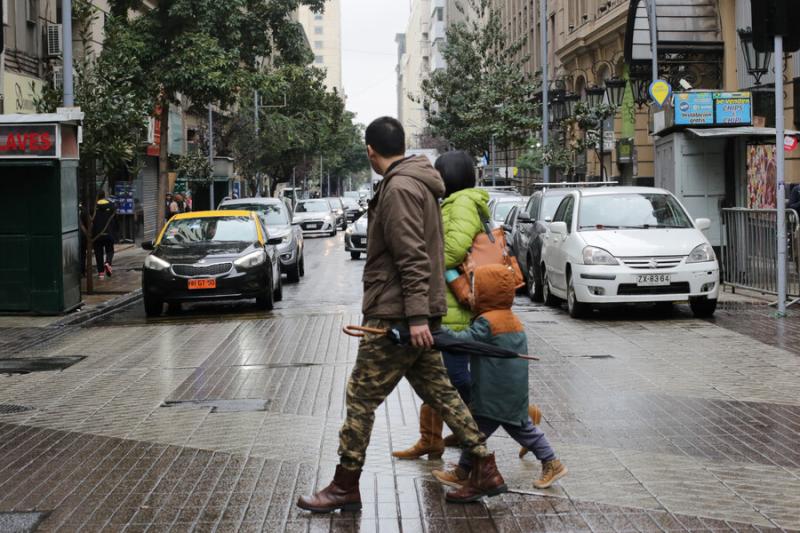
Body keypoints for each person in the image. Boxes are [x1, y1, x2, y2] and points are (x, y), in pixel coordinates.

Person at [296, 117, 507, 513]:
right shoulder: (418, 182)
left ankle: (345, 485)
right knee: (442, 393)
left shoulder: (398, 189)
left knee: (360, 397)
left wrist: (413, 320)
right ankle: (484, 468)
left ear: (370, 151)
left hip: (396, 315)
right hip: (413, 311)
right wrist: (421, 316)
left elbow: (411, 257)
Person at [392, 151, 541, 460]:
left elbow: (453, 249)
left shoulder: (461, 203)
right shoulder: (454, 203)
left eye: (438, 174)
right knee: (434, 374)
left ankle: (524, 417)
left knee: (452, 379)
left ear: (449, 177)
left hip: (455, 309)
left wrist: (420, 262)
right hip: (447, 303)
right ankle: (430, 438)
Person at [432, 265, 568, 493]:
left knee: (509, 431)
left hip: (495, 393)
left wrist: (438, 333)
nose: (471, 295)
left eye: (475, 290)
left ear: (488, 294)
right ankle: (462, 472)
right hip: (507, 390)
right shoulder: (509, 318)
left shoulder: (487, 322)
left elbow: (464, 341)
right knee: (478, 431)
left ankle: (552, 463)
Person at [92, 191, 116, 280]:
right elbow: (115, 220)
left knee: (98, 253)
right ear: (104, 196)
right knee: (110, 250)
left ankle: (101, 273)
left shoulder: (93, 208)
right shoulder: (111, 206)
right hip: (108, 233)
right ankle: (108, 262)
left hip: (96, 235)